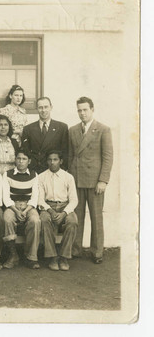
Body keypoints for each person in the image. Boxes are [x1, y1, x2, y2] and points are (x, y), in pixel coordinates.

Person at [68, 97, 113, 264]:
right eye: (79, 110)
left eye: (85, 110)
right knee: (76, 216)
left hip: (95, 182)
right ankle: (75, 249)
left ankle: (97, 252)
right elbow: (70, 155)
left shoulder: (103, 129)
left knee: (96, 217)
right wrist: (70, 178)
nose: (82, 113)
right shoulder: (72, 130)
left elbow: (108, 157)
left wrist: (103, 180)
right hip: (77, 179)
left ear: (92, 110)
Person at [38, 150, 79, 271]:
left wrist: (64, 213)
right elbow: (40, 200)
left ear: (60, 161)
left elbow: (74, 200)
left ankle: (64, 256)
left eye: (55, 159)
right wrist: (50, 211)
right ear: (46, 161)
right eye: (50, 160)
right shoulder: (41, 177)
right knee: (44, 219)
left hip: (64, 206)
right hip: (48, 206)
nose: (52, 162)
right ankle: (53, 257)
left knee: (72, 221)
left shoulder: (68, 177)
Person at [2, 149, 41, 269]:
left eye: (24, 159)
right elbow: (6, 197)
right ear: (15, 160)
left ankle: (31, 257)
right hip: (12, 206)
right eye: (18, 158)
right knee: (7, 219)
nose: (21, 161)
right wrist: (16, 210)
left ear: (29, 161)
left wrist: (25, 210)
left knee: (35, 221)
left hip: (28, 206)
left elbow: (35, 197)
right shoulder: (7, 174)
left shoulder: (34, 175)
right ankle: (13, 255)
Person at [22, 97, 69, 174]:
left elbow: (65, 152)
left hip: (54, 171)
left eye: (46, 107)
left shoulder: (62, 127)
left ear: (51, 107)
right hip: (35, 171)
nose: (43, 110)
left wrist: (61, 170)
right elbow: (26, 152)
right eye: (40, 107)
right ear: (37, 109)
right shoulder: (28, 129)